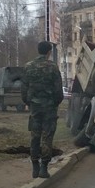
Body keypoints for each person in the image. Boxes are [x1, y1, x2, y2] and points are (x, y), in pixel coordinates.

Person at [21, 41, 64, 179]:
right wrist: (55, 103)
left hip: (35, 107)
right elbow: (58, 90)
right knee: (47, 137)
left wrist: (29, 102)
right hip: (49, 108)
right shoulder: (53, 67)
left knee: (35, 136)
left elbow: (24, 89)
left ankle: (35, 166)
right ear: (49, 52)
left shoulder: (28, 67)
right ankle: (44, 168)